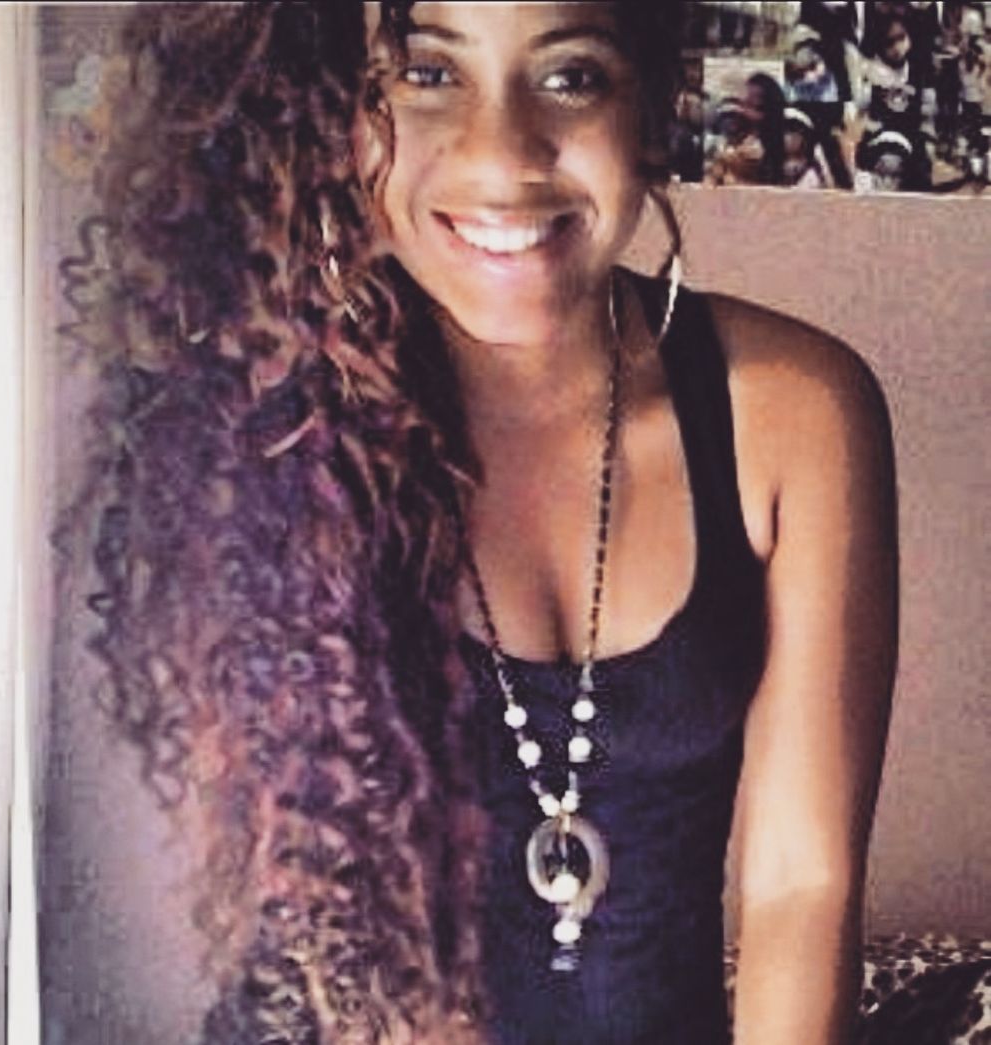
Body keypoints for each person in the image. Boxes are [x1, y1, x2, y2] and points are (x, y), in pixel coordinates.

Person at [60, 4, 898, 1043]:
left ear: (647, 107)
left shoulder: (795, 412)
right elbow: (316, 935)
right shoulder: (271, 437)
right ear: (339, 112)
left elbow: (799, 888)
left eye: (571, 75)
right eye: (425, 72)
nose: (501, 155)